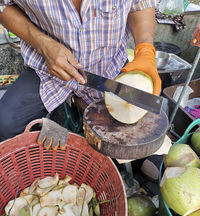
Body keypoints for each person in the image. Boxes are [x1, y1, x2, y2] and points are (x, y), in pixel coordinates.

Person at [0, 0, 161, 144]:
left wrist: (145, 49)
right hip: (46, 68)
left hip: (110, 68)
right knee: (4, 124)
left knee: (140, 133)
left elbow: (140, 3)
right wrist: (43, 44)